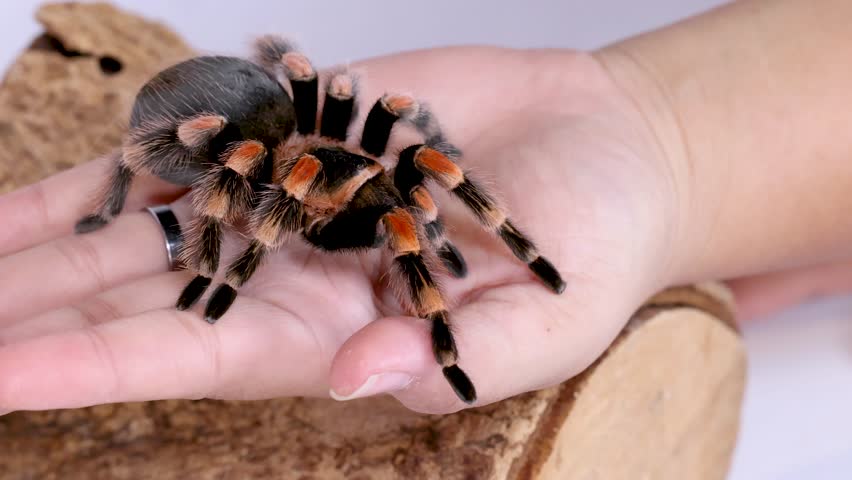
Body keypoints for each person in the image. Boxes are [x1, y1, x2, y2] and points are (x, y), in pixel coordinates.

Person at [0, 0, 849, 415]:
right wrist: (220, 276)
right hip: (228, 127)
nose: (407, 215)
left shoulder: (384, 177)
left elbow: (399, 127)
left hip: (274, 133)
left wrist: (651, 152)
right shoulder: (273, 166)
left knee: (399, 153)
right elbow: (280, 111)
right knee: (288, 153)